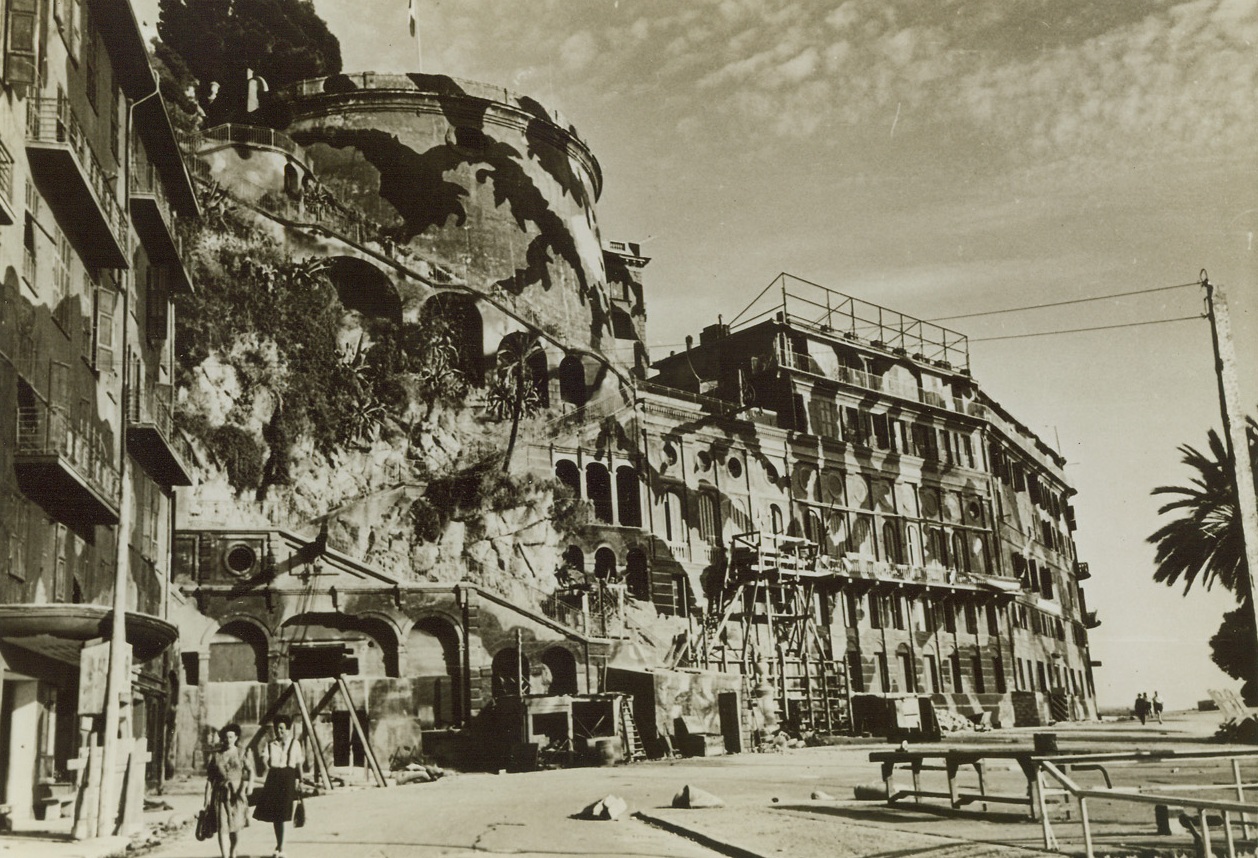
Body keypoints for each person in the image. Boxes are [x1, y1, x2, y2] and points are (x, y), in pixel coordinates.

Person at [253, 714, 306, 858]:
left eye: (282, 729)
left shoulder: (295, 743)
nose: (279, 731)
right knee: (276, 816)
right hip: (274, 779)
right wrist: (265, 763)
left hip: (288, 778)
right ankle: (279, 844)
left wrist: (300, 781)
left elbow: (298, 764)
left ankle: (282, 847)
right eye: (277, 729)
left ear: (288, 729)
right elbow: (264, 758)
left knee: (285, 813)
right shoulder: (270, 744)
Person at [205, 723, 252, 858]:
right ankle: (225, 856)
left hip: (237, 795)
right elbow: (210, 779)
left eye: (231, 737)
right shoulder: (216, 756)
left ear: (236, 737)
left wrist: (249, 786)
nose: (228, 740)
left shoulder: (241, 753)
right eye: (226, 737)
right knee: (222, 827)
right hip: (220, 795)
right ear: (222, 739)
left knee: (236, 828)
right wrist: (206, 799)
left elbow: (251, 771)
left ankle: (233, 852)